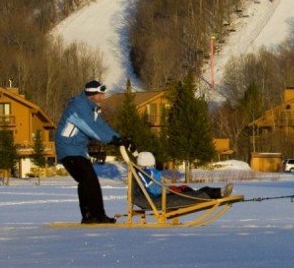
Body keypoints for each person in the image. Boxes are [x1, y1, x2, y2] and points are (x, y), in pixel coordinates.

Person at [56, 80, 126, 224]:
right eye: (101, 92)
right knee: (88, 179)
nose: (104, 95)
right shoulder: (79, 106)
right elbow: (90, 129)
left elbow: (101, 126)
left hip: (78, 150)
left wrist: (120, 138)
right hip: (68, 148)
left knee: (87, 180)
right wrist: (111, 140)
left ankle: (92, 216)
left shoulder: (91, 108)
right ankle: (94, 216)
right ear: (93, 94)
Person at [133, 151, 233, 201]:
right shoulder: (145, 173)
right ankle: (218, 193)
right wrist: (166, 189)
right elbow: (152, 188)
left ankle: (218, 193)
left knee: (187, 189)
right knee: (195, 192)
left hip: (165, 192)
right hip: (161, 196)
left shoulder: (148, 171)